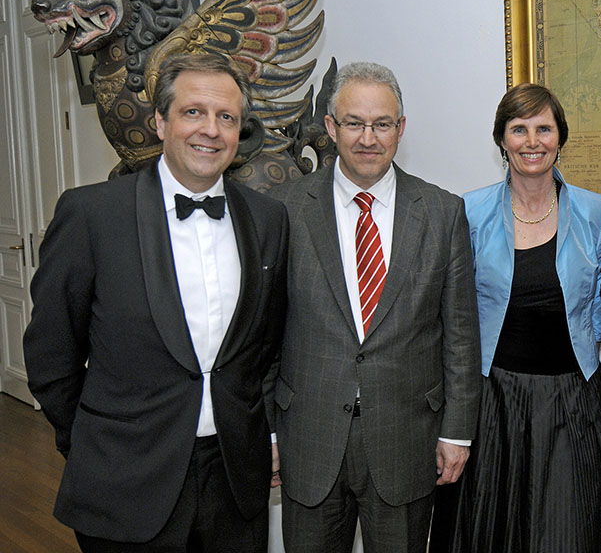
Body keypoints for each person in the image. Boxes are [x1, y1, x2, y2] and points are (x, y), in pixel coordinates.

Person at [22, 51, 289, 552]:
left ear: (240, 132)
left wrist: (265, 434)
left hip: (235, 479)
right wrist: (89, 443)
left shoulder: (268, 218)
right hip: (126, 477)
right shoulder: (92, 215)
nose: (210, 129)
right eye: (193, 112)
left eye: (226, 117)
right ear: (161, 122)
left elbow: (267, 348)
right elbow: (50, 356)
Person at [268, 61, 481, 553]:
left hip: (407, 440)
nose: (369, 137)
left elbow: (461, 338)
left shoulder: (443, 213)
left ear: (400, 129)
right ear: (330, 127)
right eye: (354, 123)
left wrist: (458, 432)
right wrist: (268, 434)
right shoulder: (282, 211)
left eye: (382, 124)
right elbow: (264, 334)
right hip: (309, 437)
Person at [433, 83, 601, 553]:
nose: (532, 141)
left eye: (544, 128)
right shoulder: (470, 211)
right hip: (495, 398)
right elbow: (455, 311)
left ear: (560, 136)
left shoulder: (594, 210)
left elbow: (600, 300)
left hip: (573, 397)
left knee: (570, 530)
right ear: (502, 139)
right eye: (519, 129)